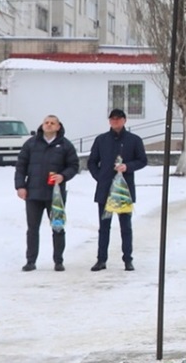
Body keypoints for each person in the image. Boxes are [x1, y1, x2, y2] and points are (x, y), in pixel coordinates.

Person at [16, 114, 79, 272]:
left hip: (55, 195)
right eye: (46, 122)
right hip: (33, 194)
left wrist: (63, 176)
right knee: (32, 229)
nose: (49, 125)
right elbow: (21, 166)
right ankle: (30, 261)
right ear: (42, 125)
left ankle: (58, 261)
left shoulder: (65, 145)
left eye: (52, 123)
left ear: (58, 126)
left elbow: (73, 166)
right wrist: (20, 186)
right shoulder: (31, 144)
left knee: (58, 228)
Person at [87, 107, 147, 271]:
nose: (115, 121)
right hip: (105, 190)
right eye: (112, 119)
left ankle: (128, 259)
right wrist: (100, 177)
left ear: (124, 120)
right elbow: (92, 162)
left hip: (123, 191)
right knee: (104, 226)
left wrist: (128, 166)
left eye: (118, 118)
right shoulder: (101, 140)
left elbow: (142, 160)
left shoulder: (134, 140)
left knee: (125, 227)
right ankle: (101, 259)